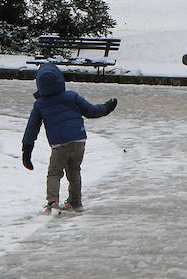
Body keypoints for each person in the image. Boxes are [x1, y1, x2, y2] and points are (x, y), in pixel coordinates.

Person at [21, 63, 117, 212]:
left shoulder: (40, 105)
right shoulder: (72, 97)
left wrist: (26, 151)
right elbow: (91, 111)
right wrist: (106, 107)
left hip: (59, 145)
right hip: (79, 140)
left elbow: (31, 129)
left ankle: (53, 201)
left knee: (54, 173)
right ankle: (75, 202)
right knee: (74, 171)